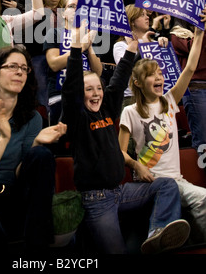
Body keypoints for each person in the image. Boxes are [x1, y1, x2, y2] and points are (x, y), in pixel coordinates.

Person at [61, 23, 190, 255]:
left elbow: (118, 82)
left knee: (167, 185)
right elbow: (70, 89)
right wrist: (75, 49)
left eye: (98, 88)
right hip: (96, 200)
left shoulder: (107, 108)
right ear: (81, 95)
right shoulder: (76, 117)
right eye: (88, 90)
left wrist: (132, 49)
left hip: (120, 192)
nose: (96, 93)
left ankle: (157, 233)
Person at [0, 46, 67, 255]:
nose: (20, 72)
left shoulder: (32, 117)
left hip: (15, 197)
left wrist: (36, 144)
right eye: (13, 67)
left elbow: (22, 174)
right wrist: (3, 138)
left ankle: (37, 253)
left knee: (42, 155)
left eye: (25, 69)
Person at [119, 18, 206, 245]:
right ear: (138, 82)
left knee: (203, 199)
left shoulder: (169, 101)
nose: (159, 77)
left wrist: (198, 34)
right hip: (149, 184)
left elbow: (190, 68)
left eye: (159, 73)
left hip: (176, 180)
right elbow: (121, 153)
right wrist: (136, 165)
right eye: (151, 74)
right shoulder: (130, 111)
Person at [44, 0, 102, 125]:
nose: (76, 10)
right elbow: (54, 64)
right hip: (60, 96)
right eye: (71, 6)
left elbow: (98, 72)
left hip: (86, 97)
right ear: (63, 13)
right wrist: (81, 47)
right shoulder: (54, 33)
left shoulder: (89, 37)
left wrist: (89, 45)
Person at [113, 4, 169, 108]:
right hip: (132, 98)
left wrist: (165, 46)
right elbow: (127, 71)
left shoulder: (154, 42)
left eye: (146, 14)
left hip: (155, 96)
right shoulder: (121, 46)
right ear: (132, 21)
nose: (147, 17)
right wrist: (143, 47)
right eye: (142, 15)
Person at [24, 0, 64, 113]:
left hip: (62, 58)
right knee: (42, 92)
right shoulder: (35, 13)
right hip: (39, 57)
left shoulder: (66, 14)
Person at [170, 19, 206, 166]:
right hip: (196, 90)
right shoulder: (177, 34)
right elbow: (194, 50)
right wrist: (201, 30)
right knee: (203, 139)